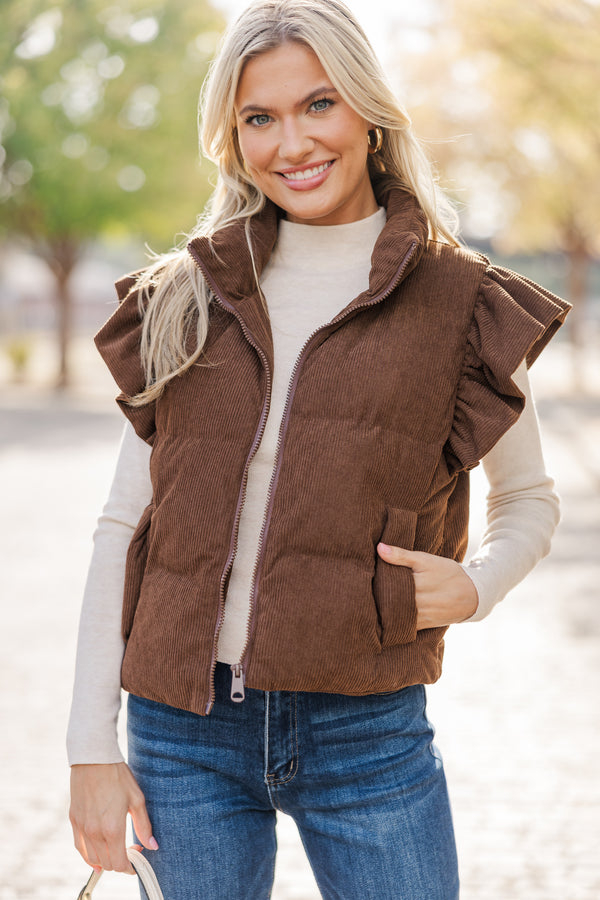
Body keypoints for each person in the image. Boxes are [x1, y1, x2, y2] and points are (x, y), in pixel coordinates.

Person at [67, 1, 570, 897]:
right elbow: (122, 523)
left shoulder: (462, 301)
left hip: (368, 733)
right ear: (233, 135)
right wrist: (88, 751)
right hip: (182, 730)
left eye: (319, 104)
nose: (291, 142)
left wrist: (479, 586)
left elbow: (528, 498)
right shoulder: (186, 292)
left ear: (369, 113)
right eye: (259, 117)